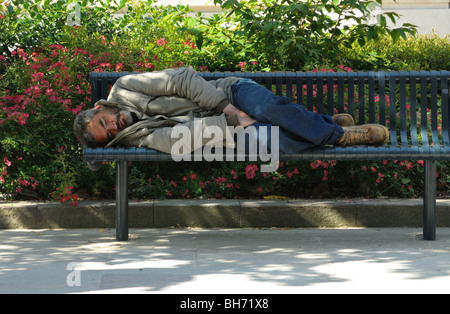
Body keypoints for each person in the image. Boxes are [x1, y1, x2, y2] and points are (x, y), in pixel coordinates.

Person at [73, 66, 388, 162]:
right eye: (109, 134)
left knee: (265, 109)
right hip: (223, 128)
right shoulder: (133, 137)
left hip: (230, 91)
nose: (114, 126)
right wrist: (228, 122)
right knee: (268, 139)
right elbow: (174, 141)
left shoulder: (126, 87)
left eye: (105, 121)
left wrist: (229, 109)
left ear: (101, 108)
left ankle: (339, 135)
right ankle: (328, 125)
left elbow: (179, 79)